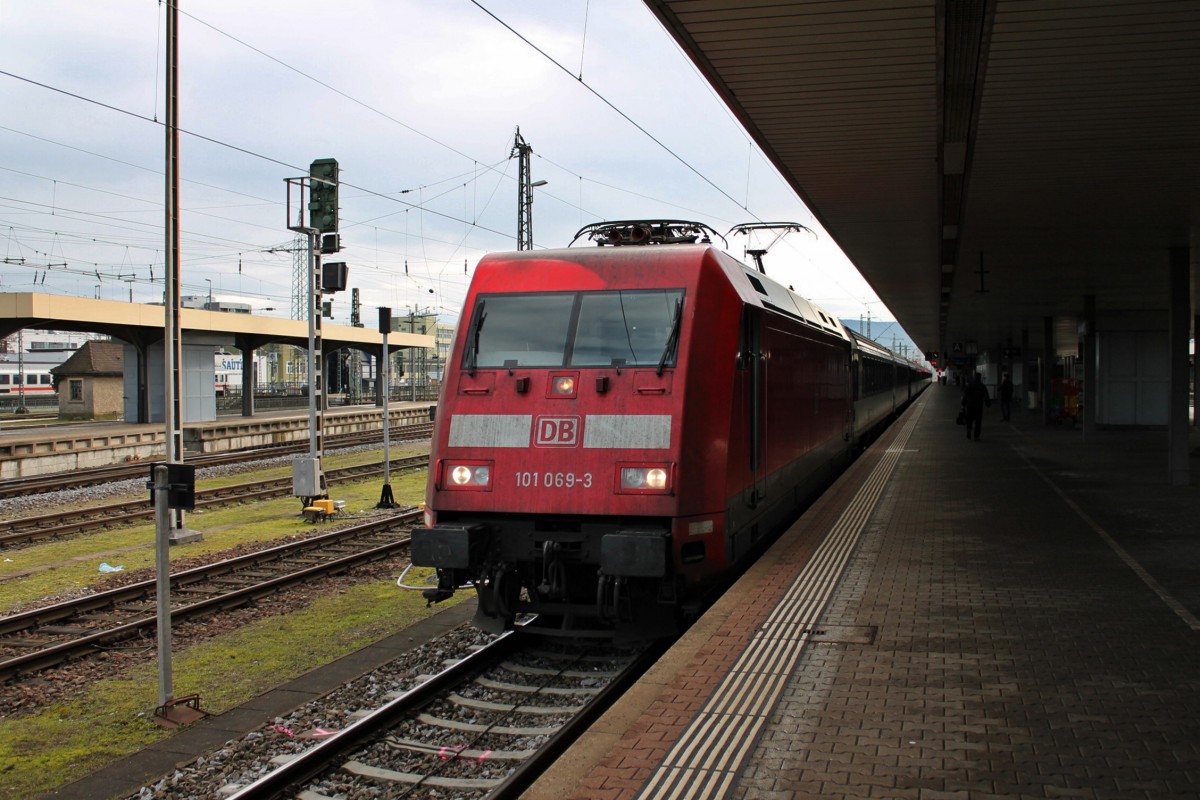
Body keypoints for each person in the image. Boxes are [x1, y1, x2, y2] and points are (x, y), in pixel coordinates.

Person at [961, 372, 991, 441]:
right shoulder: (982, 386)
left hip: (970, 406)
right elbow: (986, 396)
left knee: (969, 419)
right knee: (978, 422)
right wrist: (988, 404)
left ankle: (969, 429)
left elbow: (965, 395)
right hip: (978, 406)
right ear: (980, 378)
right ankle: (976, 436)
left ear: (974, 377)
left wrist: (963, 403)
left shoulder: (970, 385)